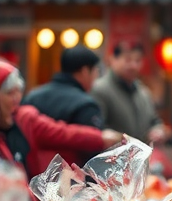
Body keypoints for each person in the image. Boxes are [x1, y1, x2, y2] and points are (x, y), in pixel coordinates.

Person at [0, 61, 121, 189]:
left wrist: (101, 138)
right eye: (9, 93)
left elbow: (63, 133)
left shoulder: (24, 118)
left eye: (18, 91)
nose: (16, 98)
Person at [23, 46, 107, 171]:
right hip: (70, 178)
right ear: (85, 71)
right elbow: (92, 156)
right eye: (96, 71)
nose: (96, 77)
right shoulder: (85, 105)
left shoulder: (32, 97)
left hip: (30, 174)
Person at [91, 40, 168, 144]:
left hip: (142, 153)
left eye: (138, 60)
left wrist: (157, 130)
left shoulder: (143, 93)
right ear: (113, 59)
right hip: (112, 153)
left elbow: (154, 121)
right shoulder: (99, 90)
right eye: (128, 60)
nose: (133, 66)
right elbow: (96, 129)